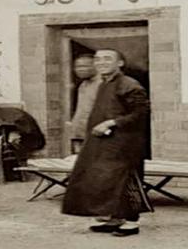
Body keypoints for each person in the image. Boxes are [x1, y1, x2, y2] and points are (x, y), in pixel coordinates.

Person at [62, 48, 153, 237]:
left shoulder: (129, 84)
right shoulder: (104, 84)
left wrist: (112, 122)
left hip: (125, 144)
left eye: (107, 59)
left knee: (127, 180)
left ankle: (132, 222)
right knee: (107, 180)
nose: (101, 62)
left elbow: (141, 114)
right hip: (106, 143)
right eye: (98, 59)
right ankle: (115, 218)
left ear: (120, 63)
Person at [68, 54, 101, 154]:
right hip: (79, 133)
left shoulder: (103, 84)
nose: (80, 70)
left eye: (84, 66)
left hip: (96, 133)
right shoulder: (83, 85)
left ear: (96, 66)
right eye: (77, 67)